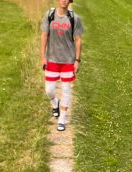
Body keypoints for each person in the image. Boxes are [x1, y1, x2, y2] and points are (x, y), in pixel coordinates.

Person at [40, 0, 83, 131]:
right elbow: (44, 36)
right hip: (52, 59)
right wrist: (43, 57)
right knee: (49, 90)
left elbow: (78, 40)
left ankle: (62, 118)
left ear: (70, 1)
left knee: (66, 89)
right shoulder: (49, 15)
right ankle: (55, 103)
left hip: (68, 61)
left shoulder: (74, 18)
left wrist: (77, 60)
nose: (64, 0)